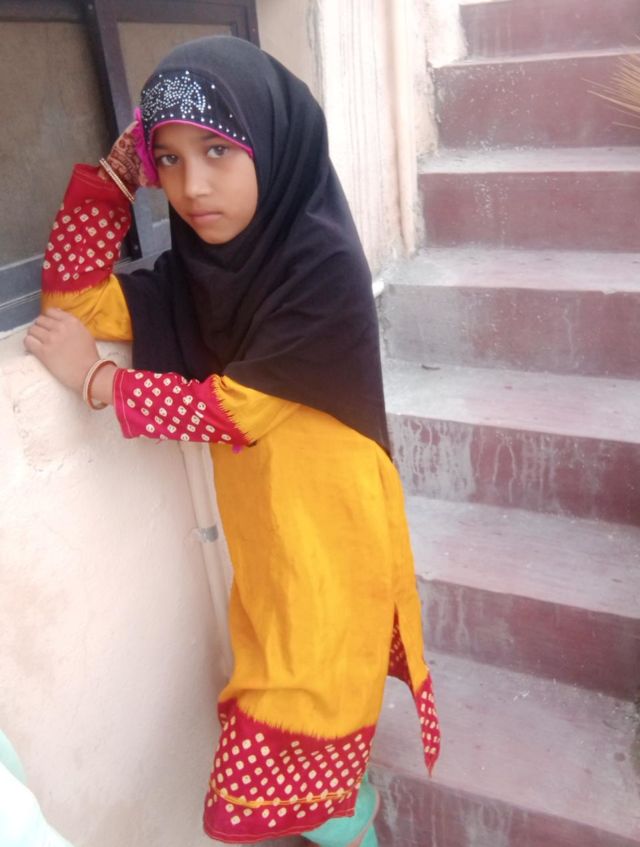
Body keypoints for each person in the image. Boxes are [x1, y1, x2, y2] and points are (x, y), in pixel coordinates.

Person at [24, 35, 440, 846]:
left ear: (270, 144)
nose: (192, 186)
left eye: (217, 150)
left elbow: (235, 412)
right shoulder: (200, 271)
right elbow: (74, 301)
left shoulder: (319, 262)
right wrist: (114, 179)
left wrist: (98, 381)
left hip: (330, 529)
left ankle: (353, 822)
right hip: (266, 527)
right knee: (288, 691)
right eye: (169, 159)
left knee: (309, 702)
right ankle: (348, 810)